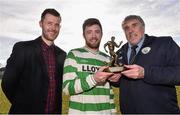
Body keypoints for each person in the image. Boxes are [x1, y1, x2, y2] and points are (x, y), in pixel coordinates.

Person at [1, 8, 66, 114]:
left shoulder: (62, 55)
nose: (53, 28)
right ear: (41, 24)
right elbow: (7, 83)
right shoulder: (22, 48)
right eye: (49, 23)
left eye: (56, 24)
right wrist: (22, 105)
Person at [116, 15, 180, 113]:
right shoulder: (119, 53)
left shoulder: (164, 44)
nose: (130, 30)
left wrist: (146, 73)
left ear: (143, 27)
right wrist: (115, 80)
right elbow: (122, 82)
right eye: (126, 28)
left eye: (134, 25)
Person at [63, 18, 120, 114]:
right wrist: (93, 79)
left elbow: (109, 92)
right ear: (83, 35)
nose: (93, 36)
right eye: (89, 32)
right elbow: (67, 88)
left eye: (97, 32)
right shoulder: (74, 54)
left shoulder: (108, 59)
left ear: (101, 34)